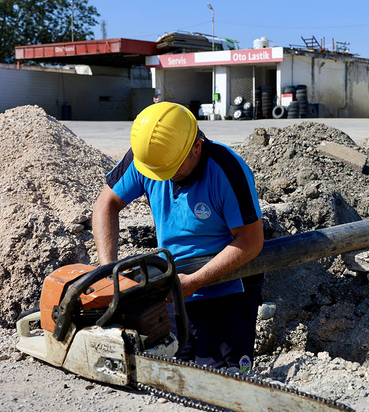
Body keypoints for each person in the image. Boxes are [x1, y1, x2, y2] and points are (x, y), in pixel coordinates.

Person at [92, 102, 264, 373]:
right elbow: (106, 204)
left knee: (218, 377)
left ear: (197, 147)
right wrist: (107, 269)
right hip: (173, 286)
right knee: (172, 370)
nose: (164, 177)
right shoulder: (150, 157)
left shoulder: (227, 169)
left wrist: (195, 281)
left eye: (171, 168)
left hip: (227, 285)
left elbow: (251, 241)